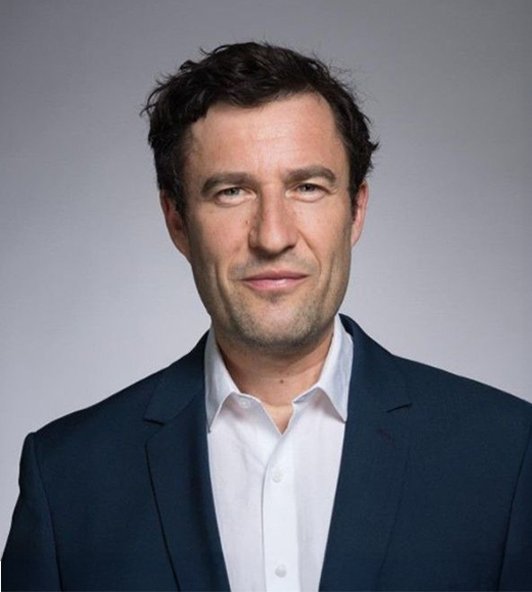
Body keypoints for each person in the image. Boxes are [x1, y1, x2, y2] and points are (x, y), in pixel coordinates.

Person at [2, 41, 531, 592]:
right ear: (177, 221)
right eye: (232, 192)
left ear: (355, 210)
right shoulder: (66, 477)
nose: (273, 236)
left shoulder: (507, 454)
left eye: (307, 187)